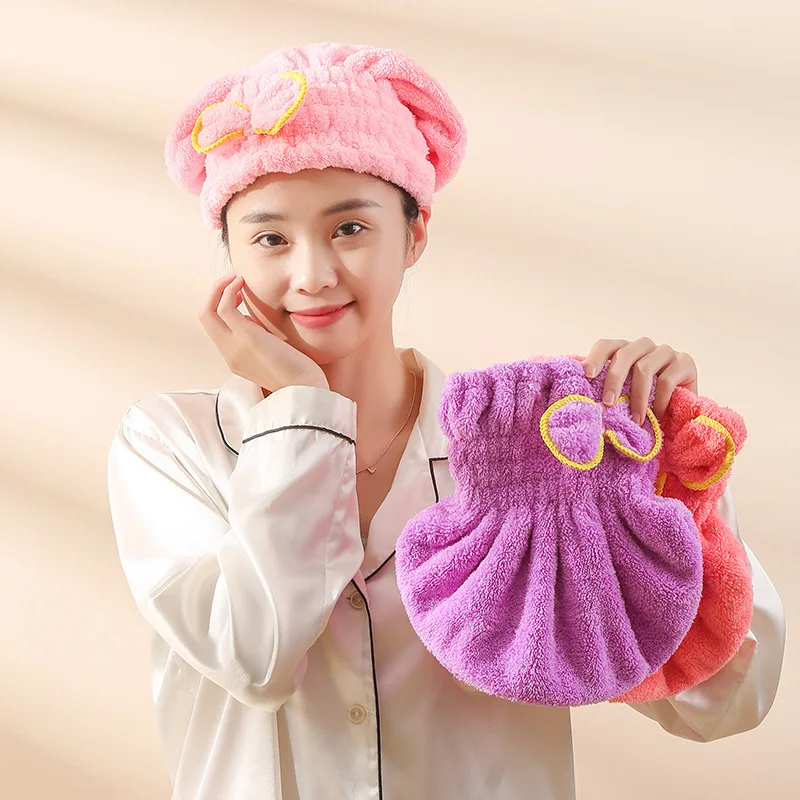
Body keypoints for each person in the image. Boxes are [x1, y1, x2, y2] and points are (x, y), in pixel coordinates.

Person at [106, 42, 785, 800]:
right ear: (228, 254)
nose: (312, 274)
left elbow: (724, 703)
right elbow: (256, 656)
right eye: (270, 237)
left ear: (415, 233)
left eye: (350, 228)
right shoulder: (171, 445)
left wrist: (668, 482)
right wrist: (301, 409)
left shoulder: (538, 445)